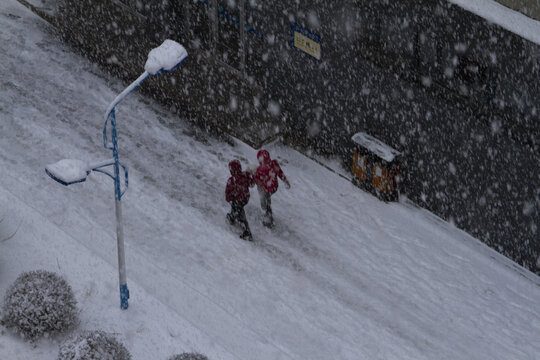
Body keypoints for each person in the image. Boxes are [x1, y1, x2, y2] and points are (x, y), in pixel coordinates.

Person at [253, 150, 290, 227]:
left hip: (268, 189)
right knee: (266, 200)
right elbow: (280, 173)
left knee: (266, 201)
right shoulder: (273, 164)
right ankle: (266, 211)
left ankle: (269, 220)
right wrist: (285, 181)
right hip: (272, 187)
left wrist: (253, 175)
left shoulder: (261, 169)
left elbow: (257, 181)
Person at [225, 160, 254, 241]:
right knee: (236, 209)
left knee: (240, 214)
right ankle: (232, 217)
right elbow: (252, 184)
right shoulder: (245, 176)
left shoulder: (231, 180)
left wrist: (228, 198)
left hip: (236, 199)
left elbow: (228, 191)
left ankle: (247, 232)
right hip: (245, 198)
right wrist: (252, 176)